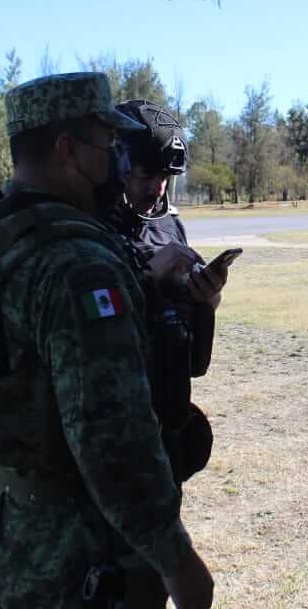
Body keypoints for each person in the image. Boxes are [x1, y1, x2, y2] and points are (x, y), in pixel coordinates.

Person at [0, 73, 214, 609]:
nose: (115, 157)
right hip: (70, 550)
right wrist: (175, 560)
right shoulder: (77, 263)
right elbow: (113, 437)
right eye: (105, 142)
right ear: (68, 149)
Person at [108, 100, 227, 502]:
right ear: (117, 164)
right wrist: (148, 274)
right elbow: (85, 319)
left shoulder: (167, 221)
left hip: (166, 405)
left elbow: (191, 310)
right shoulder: (86, 227)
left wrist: (207, 295)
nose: (157, 186)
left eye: (164, 176)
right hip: (113, 420)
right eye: (146, 173)